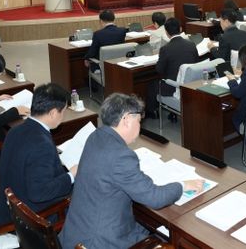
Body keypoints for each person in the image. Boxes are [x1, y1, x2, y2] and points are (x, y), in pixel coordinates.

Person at [60, 94, 204, 249]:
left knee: (148, 225)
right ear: (127, 119)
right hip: (101, 242)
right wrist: (182, 185)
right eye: (139, 121)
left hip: (76, 232)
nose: (140, 126)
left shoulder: (96, 136)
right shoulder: (121, 156)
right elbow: (154, 198)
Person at [0, 83, 76, 225]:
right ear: (53, 113)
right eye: (63, 111)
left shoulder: (15, 130)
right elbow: (39, 193)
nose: (63, 116)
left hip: (9, 204)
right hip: (29, 217)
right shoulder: (42, 145)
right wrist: (71, 175)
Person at [155, 18, 198, 99]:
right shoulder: (191, 44)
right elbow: (196, 63)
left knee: (151, 87)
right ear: (180, 29)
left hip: (173, 87)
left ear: (166, 32)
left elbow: (159, 70)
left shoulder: (165, 49)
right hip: (191, 85)